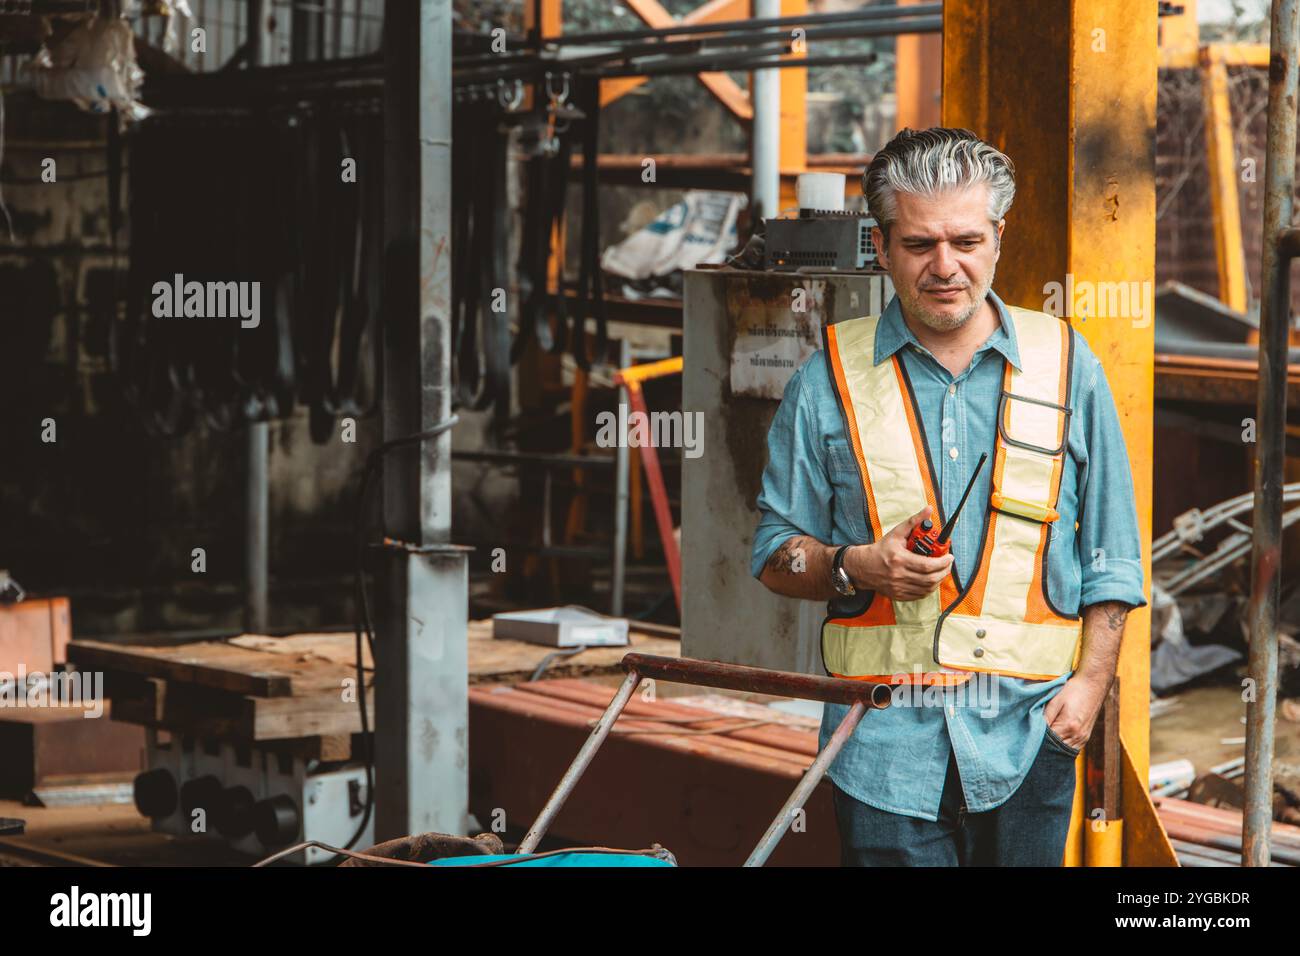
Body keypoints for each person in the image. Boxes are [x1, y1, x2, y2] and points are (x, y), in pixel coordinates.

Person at [751, 127, 1147, 866]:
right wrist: (855, 565)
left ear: (998, 236)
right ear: (880, 245)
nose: (945, 267)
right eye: (918, 244)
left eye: (966, 240)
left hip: (1033, 738)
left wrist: (1090, 688)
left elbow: (1114, 553)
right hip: (881, 748)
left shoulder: (1068, 367)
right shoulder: (826, 380)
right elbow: (775, 555)